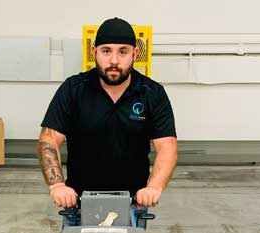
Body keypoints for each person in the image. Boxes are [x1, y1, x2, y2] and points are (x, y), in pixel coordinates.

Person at [37, 17, 177, 218]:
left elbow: (167, 147)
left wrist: (153, 188)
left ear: (135, 54)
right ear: (94, 52)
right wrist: (57, 185)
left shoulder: (152, 93)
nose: (114, 60)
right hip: (78, 201)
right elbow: (48, 140)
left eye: (123, 52)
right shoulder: (73, 90)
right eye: (106, 51)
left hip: (133, 202)